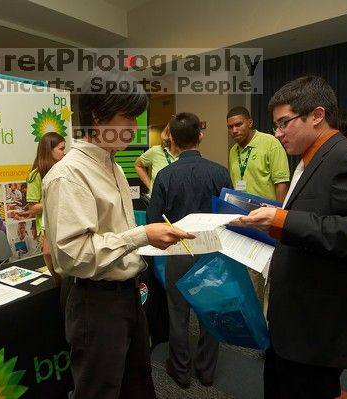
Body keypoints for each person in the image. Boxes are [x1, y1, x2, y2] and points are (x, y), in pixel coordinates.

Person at [232, 76, 347, 399]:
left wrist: (284, 219)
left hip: (317, 326)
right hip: (295, 319)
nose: (278, 133)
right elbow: (320, 221)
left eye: (284, 123)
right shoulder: (308, 161)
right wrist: (275, 227)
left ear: (317, 115)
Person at [42, 68, 194, 399]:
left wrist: (149, 240)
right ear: (97, 116)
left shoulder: (113, 166)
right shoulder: (68, 175)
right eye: (127, 117)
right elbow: (74, 256)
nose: (134, 128)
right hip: (94, 301)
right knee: (100, 390)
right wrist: (141, 236)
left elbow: (114, 237)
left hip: (126, 295)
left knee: (137, 383)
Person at [147, 112, 232, 389]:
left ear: (171, 138)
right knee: (212, 313)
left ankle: (181, 372)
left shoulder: (164, 175)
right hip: (213, 253)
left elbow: (152, 221)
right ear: (201, 136)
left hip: (178, 253)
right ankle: (207, 373)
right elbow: (230, 217)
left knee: (177, 314)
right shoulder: (220, 172)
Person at [226, 106, 290, 313]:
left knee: (269, 272)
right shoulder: (233, 151)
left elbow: (281, 182)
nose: (234, 130)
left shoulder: (270, 143)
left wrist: (281, 221)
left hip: (268, 220)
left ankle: (272, 319)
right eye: (230, 127)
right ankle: (255, 316)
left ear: (250, 122)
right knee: (249, 269)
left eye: (238, 124)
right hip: (245, 220)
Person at [22, 131, 66, 282]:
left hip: (64, 222)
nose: (64, 153)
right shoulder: (35, 175)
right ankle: (59, 284)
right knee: (49, 253)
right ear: (49, 150)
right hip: (47, 225)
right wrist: (58, 201)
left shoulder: (64, 170)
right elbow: (33, 208)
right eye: (61, 149)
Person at [134, 124, 179, 196]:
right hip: (157, 201)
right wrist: (151, 187)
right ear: (169, 134)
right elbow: (138, 165)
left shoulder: (190, 156)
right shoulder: (156, 151)